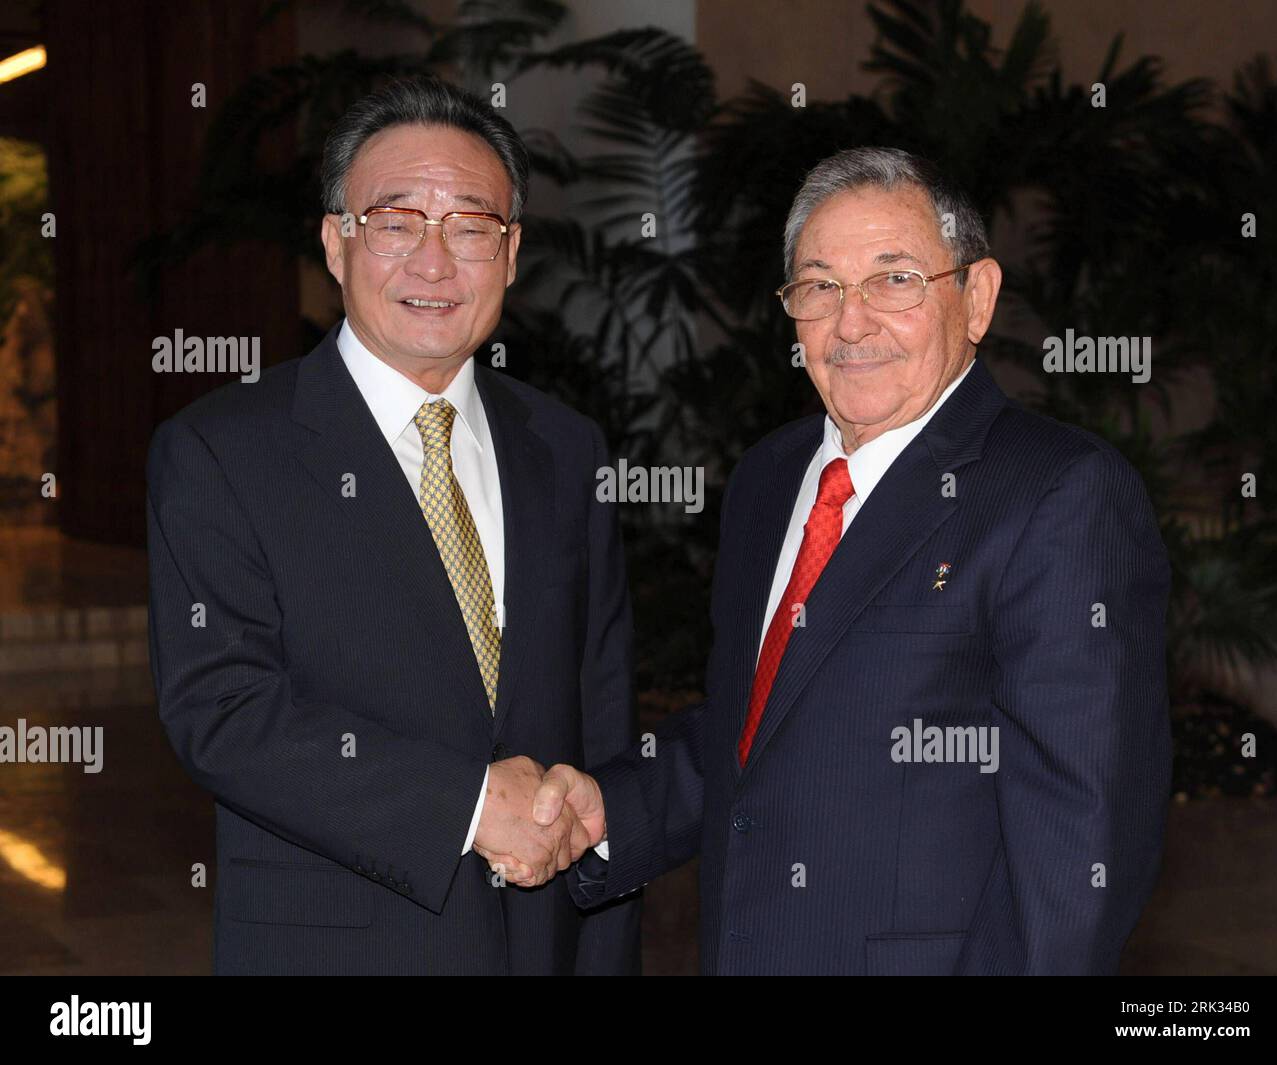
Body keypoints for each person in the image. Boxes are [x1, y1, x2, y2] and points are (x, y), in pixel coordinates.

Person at [483, 146, 1173, 976]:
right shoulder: (772, 479)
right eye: (820, 286)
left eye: (894, 279)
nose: (851, 323)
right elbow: (760, 724)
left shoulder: (1058, 492)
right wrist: (608, 812)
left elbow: (1082, 840)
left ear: (978, 297)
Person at [146, 75, 640, 974]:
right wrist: (465, 805)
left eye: (470, 227)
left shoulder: (566, 449)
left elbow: (600, 717)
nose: (434, 260)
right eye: (397, 221)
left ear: (513, 250)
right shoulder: (222, 452)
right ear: (336, 242)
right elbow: (223, 711)